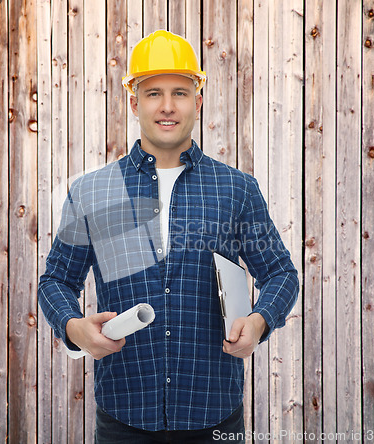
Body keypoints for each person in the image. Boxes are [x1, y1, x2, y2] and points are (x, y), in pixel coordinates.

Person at [38, 30, 299, 443]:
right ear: (133, 101)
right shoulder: (92, 191)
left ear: (198, 99)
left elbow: (281, 274)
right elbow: (56, 280)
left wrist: (259, 320)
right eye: (153, 92)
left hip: (213, 413)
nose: (166, 106)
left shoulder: (236, 189)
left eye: (180, 92)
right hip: (123, 414)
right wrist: (73, 327)